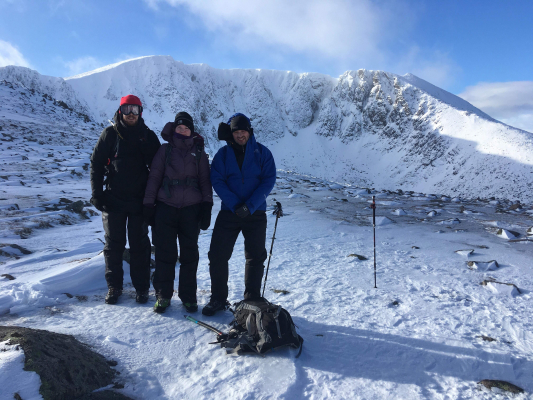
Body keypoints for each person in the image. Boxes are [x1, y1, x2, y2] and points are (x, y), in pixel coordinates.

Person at [202, 113, 276, 316]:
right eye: (236, 131)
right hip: (229, 211)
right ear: (232, 133)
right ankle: (218, 298)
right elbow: (217, 180)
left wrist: (250, 206)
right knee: (217, 255)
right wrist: (236, 205)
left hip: (256, 212)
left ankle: (251, 300)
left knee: (255, 257)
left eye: (243, 131)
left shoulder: (263, 153)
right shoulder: (223, 155)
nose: (240, 135)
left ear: (249, 132)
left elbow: (268, 180)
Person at [90, 95, 161, 305]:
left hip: (139, 201)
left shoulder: (148, 137)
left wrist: (154, 199)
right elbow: (96, 164)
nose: (131, 114)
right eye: (127, 109)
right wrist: (97, 194)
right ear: (120, 111)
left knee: (140, 245)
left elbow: (158, 170)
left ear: (141, 112)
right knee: (113, 245)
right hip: (113, 199)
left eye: (135, 110)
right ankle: (114, 286)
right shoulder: (110, 134)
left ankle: (141, 288)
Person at [143, 112, 213, 313]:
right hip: (165, 207)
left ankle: (188, 297)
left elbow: (205, 181)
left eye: (186, 128)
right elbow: (154, 177)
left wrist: (207, 206)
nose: (183, 131)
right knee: (166, 254)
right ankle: (163, 295)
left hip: (191, 209)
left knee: (190, 255)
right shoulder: (164, 150)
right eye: (179, 128)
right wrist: (148, 204)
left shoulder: (198, 152)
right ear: (174, 129)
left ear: (192, 131)